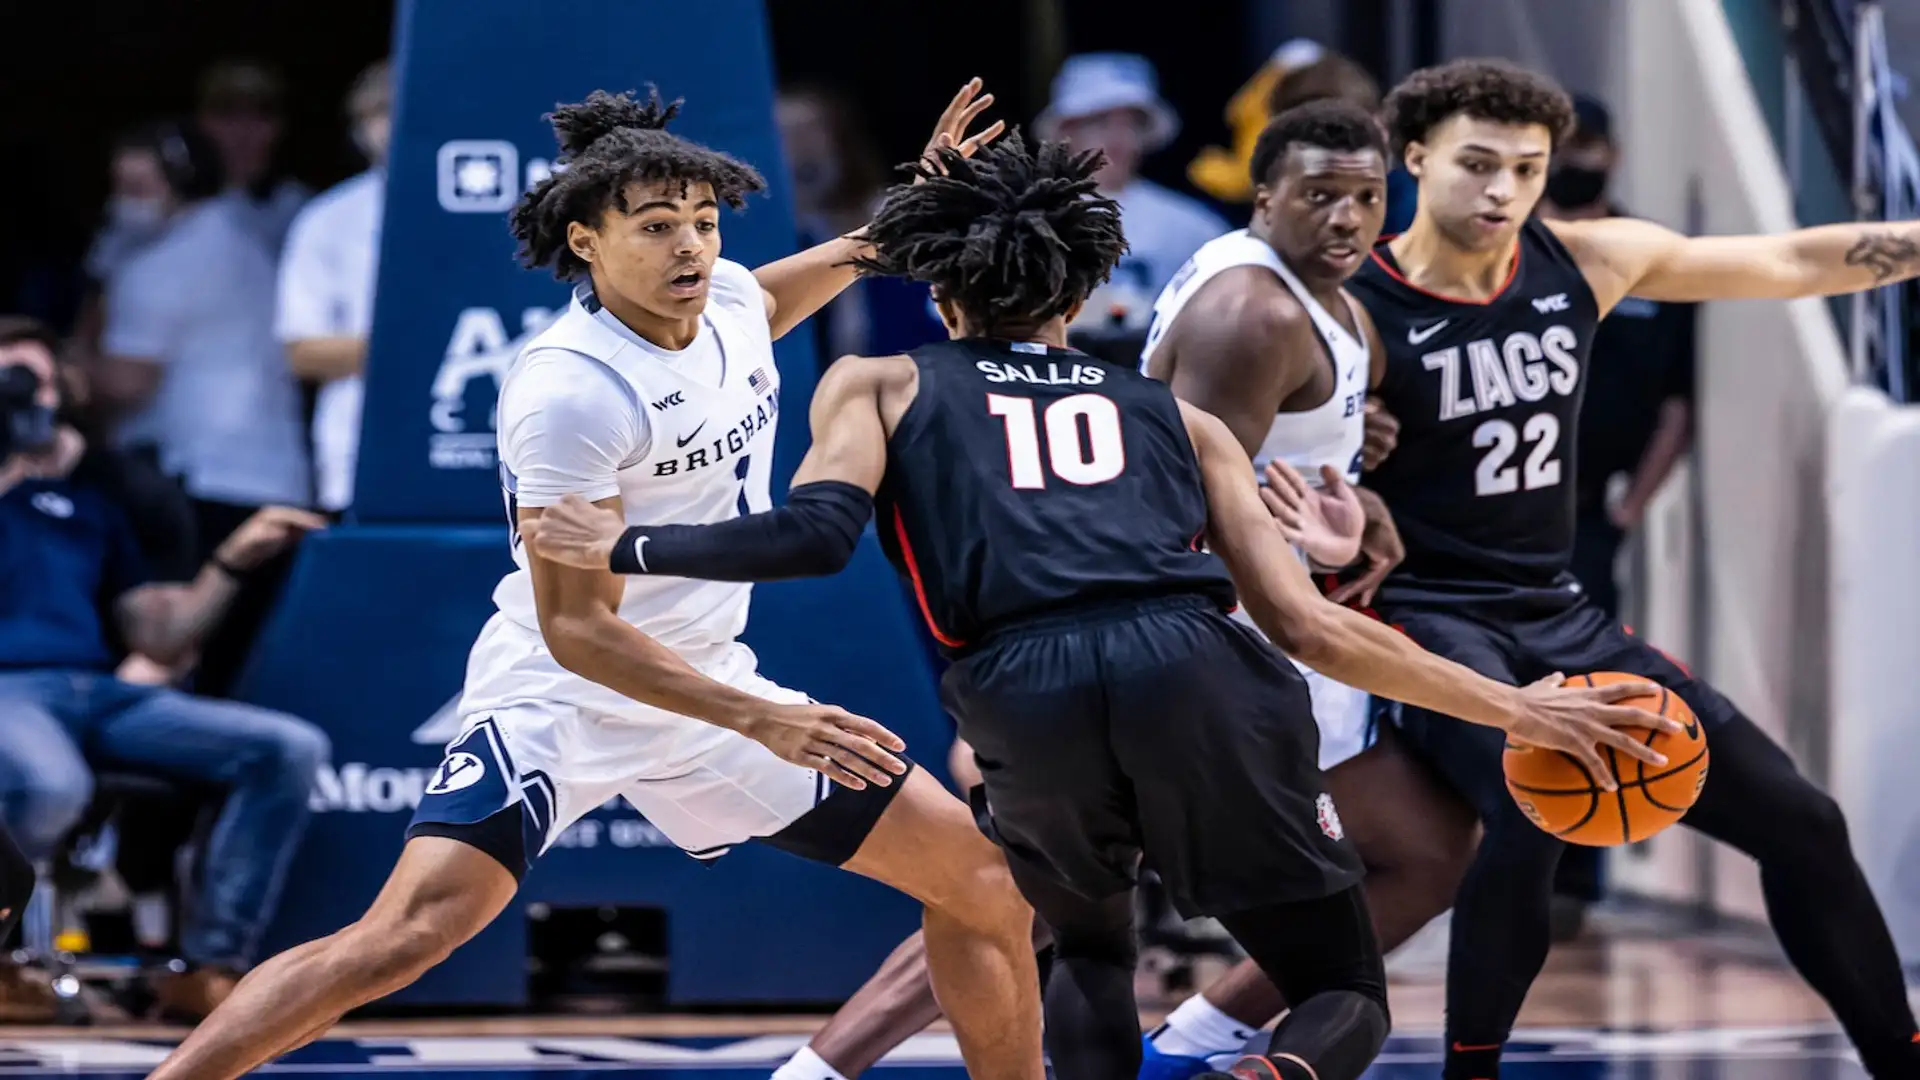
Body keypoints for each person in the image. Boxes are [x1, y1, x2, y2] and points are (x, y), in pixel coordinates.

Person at [518, 132, 1680, 1080]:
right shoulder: (1179, 417)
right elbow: (1311, 628)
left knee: (1083, 943)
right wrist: (1511, 709)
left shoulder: (880, 378)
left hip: (1022, 685)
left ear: (941, 293)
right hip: (1198, 666)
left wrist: (627, 537)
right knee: (1337, 986)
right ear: (1080, 289)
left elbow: (816, 537)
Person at [142, 84, 1048, 1080]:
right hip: (564, 698)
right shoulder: (570, 390)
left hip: (703, 682)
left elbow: (847, 259)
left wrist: (920, 192)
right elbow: (580, 633)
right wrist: (762, 720)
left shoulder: (732, 301)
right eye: (657, 227)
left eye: (703, 222)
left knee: (983, 884)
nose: (691, 247)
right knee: (408, 935)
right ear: (584, 239)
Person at [1342, 59, 1920, 1080]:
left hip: (1557, 608)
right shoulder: (1350, 307)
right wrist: (1351, 440)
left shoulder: (1585, 262)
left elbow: (1785, 260)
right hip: (1423, 612)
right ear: (1415, 157)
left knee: (1803, 822)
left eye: (1525, 169)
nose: (1501, 192)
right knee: (1531, 810)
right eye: (1476, 165)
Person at [1134, 98, 1477, 1079]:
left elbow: (1294, 438)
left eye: (1367, 197)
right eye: (1320, 195)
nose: (1347, 219)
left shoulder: (1322, 297)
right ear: (1266, 196)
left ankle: (1187, 1053)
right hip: (1231, 645)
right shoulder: (1254, 312)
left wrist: (1358, 487)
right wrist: (1321, 558)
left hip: (1282, 631)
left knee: (1427, 852)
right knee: (1031, 902)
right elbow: (1176, 509)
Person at [0, 317, 330, 1020]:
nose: (22, 399)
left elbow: (159, 633)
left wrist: (233, 559)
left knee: (284, 749)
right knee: (52, 781)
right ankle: (5, 962)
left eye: (33, 383)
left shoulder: (84, 505)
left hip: (96, 689)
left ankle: (208, 967)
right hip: (10, 691)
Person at [93, 118, 313, 697]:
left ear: (184, 184)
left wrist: (66, 357)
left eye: (140, 188)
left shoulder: (165, 264)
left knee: (184, 662)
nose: (125, 204)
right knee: (239, 665)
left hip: (202, 486)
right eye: (119, 188)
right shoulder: (240, 239)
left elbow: (122, 383)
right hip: (270, 476)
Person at [1035, 53, 1229, 326]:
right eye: (1099, 121)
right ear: (1066, 131)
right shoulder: (1026, 218)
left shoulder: (1194, 227)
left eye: (1132, 124)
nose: (1118, 138)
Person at [277, 59, 392, 516]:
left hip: (485, 447)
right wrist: (414, 351)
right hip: (358, 449)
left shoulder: (500, 204)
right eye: (376, 112)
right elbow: (301, 350)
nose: (389, 124)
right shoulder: (328, 218)